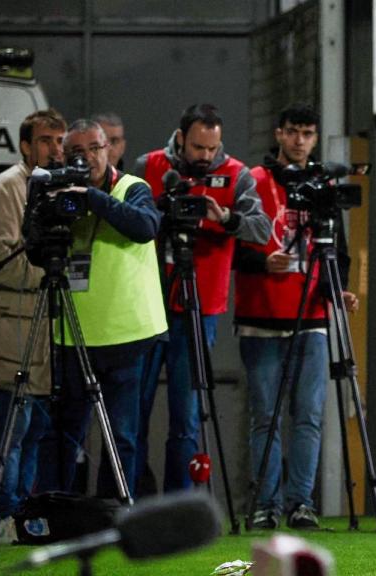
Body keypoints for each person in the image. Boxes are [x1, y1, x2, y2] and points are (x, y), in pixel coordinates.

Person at [135, 104, 270, 494]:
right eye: (198, 147)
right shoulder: (150, 166)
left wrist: (225, 217)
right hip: (147, 304)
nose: (206, 156)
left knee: (186, 417)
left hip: (200, 309)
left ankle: (179, 507)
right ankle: (132, 502)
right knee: (133, 412)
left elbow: (261, 230)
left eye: (212, 148)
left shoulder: (236, 174)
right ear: (180, 138)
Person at [233, 103, 355, 530]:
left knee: (309, 415)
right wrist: (260, 264)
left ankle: (301, 502)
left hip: (313, 317)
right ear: (279, 134)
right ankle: (266, 503)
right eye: (293, 132)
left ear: (315, 138)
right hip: (261, 316)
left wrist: (337, 288)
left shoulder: (323, 184)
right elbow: (233, 244)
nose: (300, 140)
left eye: (307, 133)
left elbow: (337, 251)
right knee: (265, 415)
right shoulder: (255, 180)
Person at [34, 119, 167, 499]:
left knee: (122, 435)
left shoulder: (132, 188)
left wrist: (92, 198)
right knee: (63, 431)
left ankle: (115, 513)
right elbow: (35, 251)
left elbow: (144, 227)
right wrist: (45, 206)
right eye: (77, 152)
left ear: (109, 149)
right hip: (74, 335)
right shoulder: (58, 193)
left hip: (127, 335)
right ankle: (59, 510)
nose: (87, 158)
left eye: (94, 148)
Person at [0, 108, 65, 517]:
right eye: (46, 140)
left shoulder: (58, 187)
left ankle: (21, 506)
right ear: (26, 145)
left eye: (59, 141)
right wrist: (50, 272)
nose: (55, 149)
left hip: (40, 324)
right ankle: (1, 508)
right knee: (15, 424)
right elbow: (0, 259)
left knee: (36, 426)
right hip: (13, 323)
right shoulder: (8, 187)